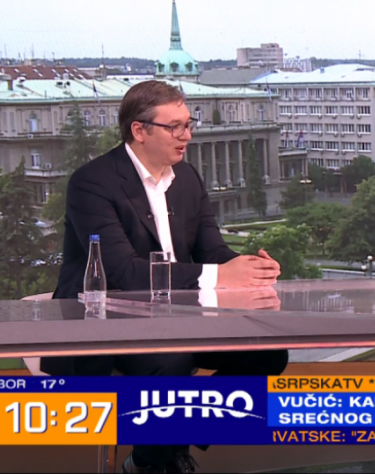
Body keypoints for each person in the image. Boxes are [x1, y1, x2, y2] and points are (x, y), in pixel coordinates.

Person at [42, 80, 287, 473]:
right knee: (170, 361)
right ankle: (158, 461)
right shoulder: (92, 183)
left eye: (188, 124)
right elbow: (124, 272)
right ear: (139, 130)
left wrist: (246, 266)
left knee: (268, 353)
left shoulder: (186, 177)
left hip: (180, 317)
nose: (187, 135)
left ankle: (152, 454)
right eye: (175, 127)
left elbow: (212, 252)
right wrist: (219, 273)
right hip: (107, 322)